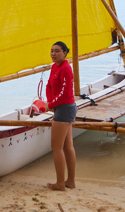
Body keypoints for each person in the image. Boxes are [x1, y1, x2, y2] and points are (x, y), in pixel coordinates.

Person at [44, 40, 77, 191]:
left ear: (65, 53)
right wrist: (50, 101)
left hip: (65, 109)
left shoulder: (66, 69)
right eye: (52, 51)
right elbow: (49, 85)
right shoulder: (54, 67)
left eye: (57, 51)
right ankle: (70, 182)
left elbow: (64, 93)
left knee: (57, 148)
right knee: (67, 146)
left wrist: (51, 105)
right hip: (61, 108)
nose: (53, 54)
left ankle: (60, 183)